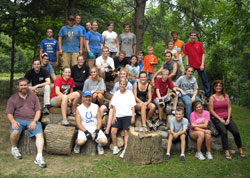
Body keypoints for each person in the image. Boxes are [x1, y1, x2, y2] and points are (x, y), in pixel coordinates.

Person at [5, 78, 47, 168]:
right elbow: (9, 113)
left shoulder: (33, 96)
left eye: (25, 85)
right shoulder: (13, 98)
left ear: (28, 86)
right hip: (18, 120)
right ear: (18, 87)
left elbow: (38, 111)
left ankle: (39, 157)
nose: (23, 87)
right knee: (15, 131)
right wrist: (13, 121)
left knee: (39, 134)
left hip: (32, 120)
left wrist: (35, 121)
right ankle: (14, 148)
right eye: (21, 85)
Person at [208, 80, 245, 160]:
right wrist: (220, 119)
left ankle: (240, 149)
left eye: (220, 86)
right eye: (217, 86)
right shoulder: (212, 97)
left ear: (222, 87)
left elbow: (229, 107)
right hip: (217, 118)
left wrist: (228, 118)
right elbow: (211, 110)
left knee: (236, 132)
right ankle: (226, 151)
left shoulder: (226, 96)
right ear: (214, 87)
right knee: (224, 132)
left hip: (227, 117)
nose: (218, 87)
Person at [100, 68, 133, 136]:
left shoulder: (129, 85)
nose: (122, 75)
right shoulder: (117, 84)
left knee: (111, 110)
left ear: (126, 75)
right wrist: (111, 102)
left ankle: (107, 131)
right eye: (121, 74)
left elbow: (129, 99)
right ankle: (98, 128)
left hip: (122, 105)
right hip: (115, 101)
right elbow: (114, 95)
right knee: (102, 108)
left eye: (124, 74)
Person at [73, 90, 108, 155]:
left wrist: (97, 130)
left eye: (89, 97)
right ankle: (77, 145)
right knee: (80, 142)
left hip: (94, 128)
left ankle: (99, 145)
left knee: (104, 141)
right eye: (86, 97)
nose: (88, 98)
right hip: (84, 129)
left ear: (91, 97)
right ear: (83, 98)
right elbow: (78, 123)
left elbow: (99, 119)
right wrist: (86, 132)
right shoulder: (79, 108)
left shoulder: (96, 106)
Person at [111, 78, 136, 158]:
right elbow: (114, 106)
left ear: (126, 85)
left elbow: (133, 106)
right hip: (118, 115)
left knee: (126, 132)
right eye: (121, 84)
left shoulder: (130, 94)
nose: (122, 86)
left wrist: (132, 116)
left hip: (127, 115)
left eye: (123, 84)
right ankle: (115, 147)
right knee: (113, 131)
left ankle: (125, 149)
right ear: (119, 85)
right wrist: (114, 116)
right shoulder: (116, 94)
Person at [184, 30, 210, 98]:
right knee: (186, 77)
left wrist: (202, 64)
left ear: (196, 36)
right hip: (191, 65)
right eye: (192, 35)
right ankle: (186, 91)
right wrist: (187, 64)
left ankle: (207, 94)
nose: (193, 37)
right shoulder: (187, 45)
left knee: (204, 79)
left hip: (199, 65)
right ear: (190, 36)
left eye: (194, 35)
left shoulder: (199, 44)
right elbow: (186, 55)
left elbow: (203, 54)